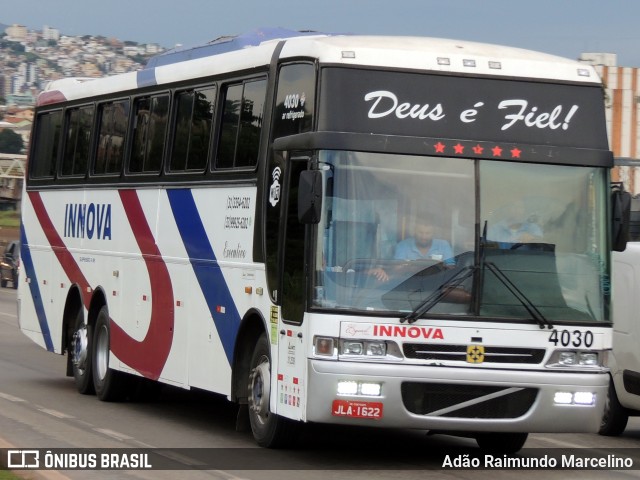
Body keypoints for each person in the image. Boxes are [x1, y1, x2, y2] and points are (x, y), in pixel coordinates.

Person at [369, 219, 454, 282]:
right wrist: (411, 268)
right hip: (408, 285)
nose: (424, 236)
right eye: (420, 232)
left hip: (437, 285)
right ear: (414, 231)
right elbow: (395, 269)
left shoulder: (443, 245)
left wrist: (435, 267)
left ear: (433, 233)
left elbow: (451, 268)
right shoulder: (403, 245)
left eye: (428, 233)